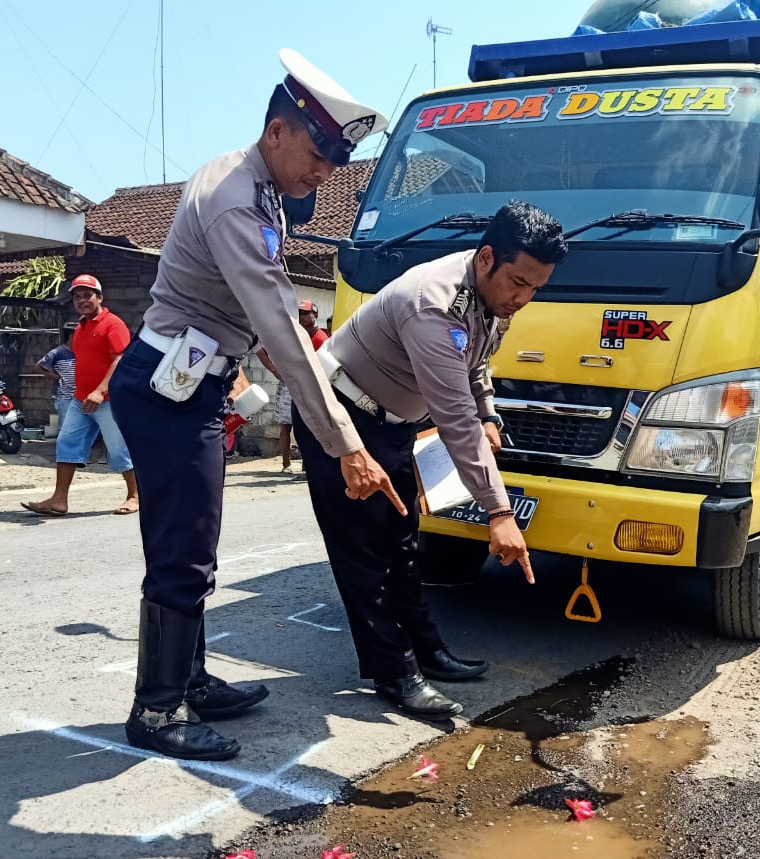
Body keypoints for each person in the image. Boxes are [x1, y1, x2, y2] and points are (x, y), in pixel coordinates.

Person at [108, 49, 402, 761]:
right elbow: (277, 325)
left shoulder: (251, 181)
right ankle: (157, 709)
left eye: (336, 161)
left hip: (190, 382)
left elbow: (269, 331)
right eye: (317, 153)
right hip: (168, 389)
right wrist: (348, 444)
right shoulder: (240, 202)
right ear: (277, 131)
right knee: (185, 547)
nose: (324, 172)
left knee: (191, 540)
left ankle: (191, 679)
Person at [295, 200, 567, 723]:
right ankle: (393, 671)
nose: (523, 298)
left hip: (392, 421)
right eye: (518, 283)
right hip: (343, 418)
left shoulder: (491, 296)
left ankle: (426, 649)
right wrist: (500, 514)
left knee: (403, 538)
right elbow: (456, 419)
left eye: (536, 287)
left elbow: (478, 362)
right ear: (486, 257)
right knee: (364, 550)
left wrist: (490, 412)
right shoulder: (434, 304)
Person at [21, 276, 138, 517]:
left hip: (109, 400)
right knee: (66, 444)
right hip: (80, 399)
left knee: (119, 449)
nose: (82, 300)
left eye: (88, 295)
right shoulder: (81, 327)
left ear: (100, 297)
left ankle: (135, 496)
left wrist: (101, 390)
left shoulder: (113, 324)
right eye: (77, 296)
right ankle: (59, 500)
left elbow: (121, 359)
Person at [256, 300, 329, 472]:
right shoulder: (293, 335)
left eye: (306, 313)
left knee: (308, 427)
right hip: (289, 385)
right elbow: (260, 349)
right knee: (286, 426)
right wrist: (275, 371)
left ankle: (307, 465)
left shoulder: (321, 339)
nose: (302, 317)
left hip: (310, 387)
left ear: (315, 315)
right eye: (300, 314)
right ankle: (286, 464)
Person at [35, 324, 77, 428]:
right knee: (66, 427)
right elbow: (38, 366)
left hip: (79, 397)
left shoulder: (81, 352)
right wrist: (54, 376)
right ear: (72, 336)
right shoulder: (58, 352)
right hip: (65, 397)